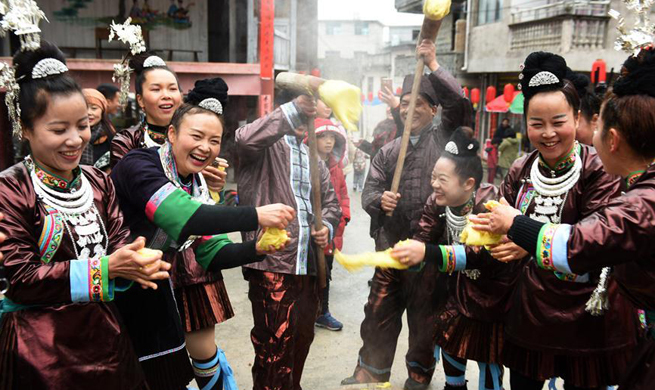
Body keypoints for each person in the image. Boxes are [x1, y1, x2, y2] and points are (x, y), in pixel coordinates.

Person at [428, 51, 636, 389]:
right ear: (526, 123)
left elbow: (592, 240)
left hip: (584, 313)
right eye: (537, 124)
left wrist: (526, 240)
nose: (548, 133)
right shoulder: (520, 169)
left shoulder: (598, 168)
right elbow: (500, 228)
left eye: (559, 122)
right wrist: (484, 233)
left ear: (578, 116)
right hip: (528, 309)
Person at [0, 41, 170, 390]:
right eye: (59, 130)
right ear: (26, 128)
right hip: (40, 350)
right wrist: (105, 268)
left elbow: (120, 242)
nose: (76, 140)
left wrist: (139, 259)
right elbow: (21, 278)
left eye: (82, 125)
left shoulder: (96, 180)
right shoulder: (11, 187)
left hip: (106, 338)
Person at [111, 100, 296, 390]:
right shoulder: (139, 164)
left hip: (152, 291)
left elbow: (211, 253)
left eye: (214, 141)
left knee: (165, 374)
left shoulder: (197, 185)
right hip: (113, 292)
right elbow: (181, 216)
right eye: (196, 136)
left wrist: (256, 249)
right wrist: (256, 215)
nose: (205, 147)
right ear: (172, 134)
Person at [341, 39, 472, 390]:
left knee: (424, 318)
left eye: (419, 104)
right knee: (378, 312)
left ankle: (418, 375)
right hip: (389, 248)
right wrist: (378, 200)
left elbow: (459, 103)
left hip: (429, 252)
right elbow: (368, 191)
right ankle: (371, 369)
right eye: (404, 104)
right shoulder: (387, 151)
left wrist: (431, 64)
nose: (409, 110)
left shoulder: (446, 138)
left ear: (433, 110)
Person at [391, 127, 516, 390]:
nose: (434, 184)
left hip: (490, 294)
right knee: (449, 341)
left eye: (442, 179)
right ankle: (454, 385)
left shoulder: (490, 204)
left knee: (488, 355)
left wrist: (428, 253)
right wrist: (409, 250)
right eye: (433, 177)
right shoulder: (437, 201)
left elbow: (480, 255)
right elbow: (423, 232)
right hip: (453, 289)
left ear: (468, 184)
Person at [235, 92, 342, 390]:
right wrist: (292, 110)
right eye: (298, 112)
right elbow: (244, 139)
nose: (302, 120)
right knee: (274, 343)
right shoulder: (262, 150)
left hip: (308, 263)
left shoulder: (314, 160)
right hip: (272, 261)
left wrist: (327, 227)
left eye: (307, 113)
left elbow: (331, 204)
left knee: (302, 337)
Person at [310, 118, 350, 331]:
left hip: (332, 228)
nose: (328, 142)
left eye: (332, 137)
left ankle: (322, 312)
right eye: (322, 137)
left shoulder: (336, 167)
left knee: (326, 270)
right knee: (309, 273)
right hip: (310, 229)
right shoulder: (304, 163)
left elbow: (343, 196)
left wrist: (341, 221)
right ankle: (307, 312)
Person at [80, 88, 115, 166]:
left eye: (94, 108)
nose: (89, 113)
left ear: (102, 111)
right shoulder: (71, 136)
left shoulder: (110, 136)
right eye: (84, 108)